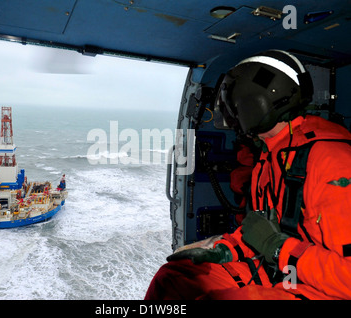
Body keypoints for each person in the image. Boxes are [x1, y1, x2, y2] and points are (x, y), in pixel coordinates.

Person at [145, 50, 351, 300]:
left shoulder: (333, 160)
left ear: (254, 102)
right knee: (174, 278)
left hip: (325, 287)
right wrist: (224, 250)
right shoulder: (270, 157)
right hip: (283, 271)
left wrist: (276, 248)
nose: (232, 115)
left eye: (234, 105)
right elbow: (260, 230)